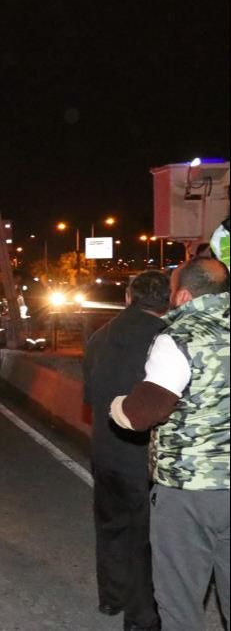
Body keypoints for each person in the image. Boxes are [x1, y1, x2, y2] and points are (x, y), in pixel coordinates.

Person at [111, 257, 230, 631]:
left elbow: (141, 414)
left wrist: (117, 406)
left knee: (180, 601)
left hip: (190, 491)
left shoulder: (180, 336)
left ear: (182, 294)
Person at [83, 270, 170, 631]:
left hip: (105, 449)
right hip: (143, 456)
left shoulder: (100, 335)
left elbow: (89, 397)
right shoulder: (166, 338)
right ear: (169, 300)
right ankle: (141, 617)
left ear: (129, 297)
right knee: (144, 537)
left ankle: (111, 597)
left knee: (110, 526)